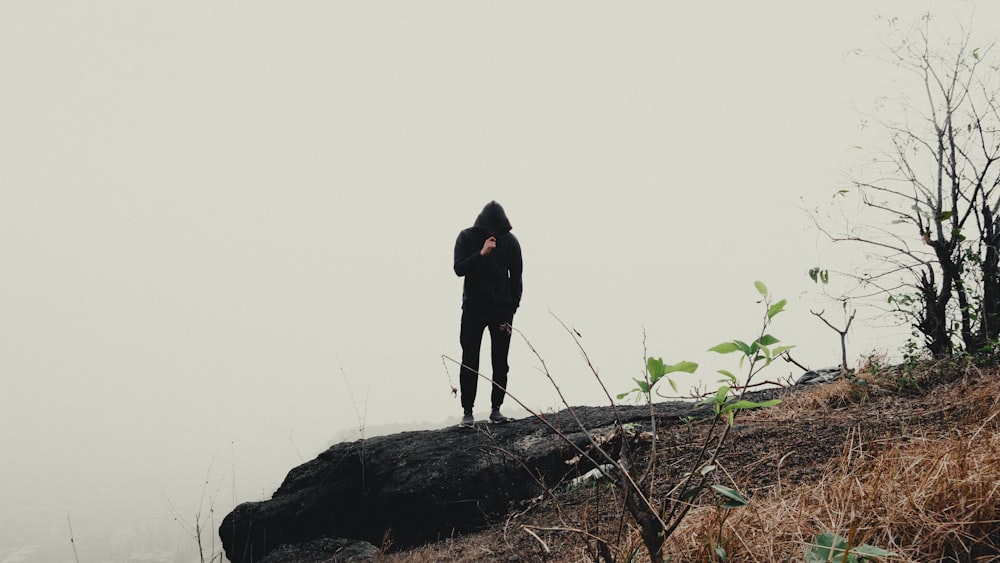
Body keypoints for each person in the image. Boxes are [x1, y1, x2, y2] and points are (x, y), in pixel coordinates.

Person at [453, 201, 523, 427]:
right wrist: (481, 254)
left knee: (500, 361)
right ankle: (467, 411)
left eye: (498, 229)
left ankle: (496, 409)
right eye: (490, 229)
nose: (494, 234)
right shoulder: (466, 237)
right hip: (473, 309)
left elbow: (517, 277)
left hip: (502, 310)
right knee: (469, 360)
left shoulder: (511, 242)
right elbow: (458, 269)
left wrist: (513, 305)